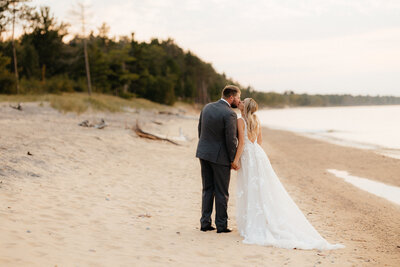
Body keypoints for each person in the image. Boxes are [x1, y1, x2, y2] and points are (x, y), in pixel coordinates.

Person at [233, 98, 344, 249]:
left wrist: (236, 160)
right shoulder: (257, 120)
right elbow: (259, 142)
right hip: (259, 155)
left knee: (250, 187)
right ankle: (262, 219)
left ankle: (254, 222)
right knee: (262, 188)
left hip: (248, 155)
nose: (240, 102)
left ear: (245, 107)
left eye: (242, 102)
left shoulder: (240, 121)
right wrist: (255, 155)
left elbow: (242, 143)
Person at [196, 85, 241, 233]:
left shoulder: (207, 107)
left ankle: (205, 223)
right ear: (232, 97)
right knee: (222, 192)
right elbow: (231, 140)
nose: (238, 100)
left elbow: (200, 130)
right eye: (238, 98)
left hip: (203, 153)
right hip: (220, 157)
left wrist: (205, 148)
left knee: (207, 189)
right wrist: (233, 160)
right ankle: (221, 226)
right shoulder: (230, 114)